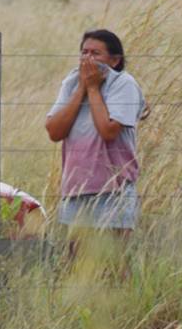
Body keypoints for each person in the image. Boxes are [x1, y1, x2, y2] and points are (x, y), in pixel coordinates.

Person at [44, 30, 147, 259]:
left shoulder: (123, 84)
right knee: (77, 263)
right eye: (84, 53)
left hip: (114, 189)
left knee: (113, 263)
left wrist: (92, 89)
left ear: (115, 60)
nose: (88, 59)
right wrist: (81, 89)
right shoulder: (72, 82)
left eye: (96, 54)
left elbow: (109, 130)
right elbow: (54, 131)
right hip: (77, 187)